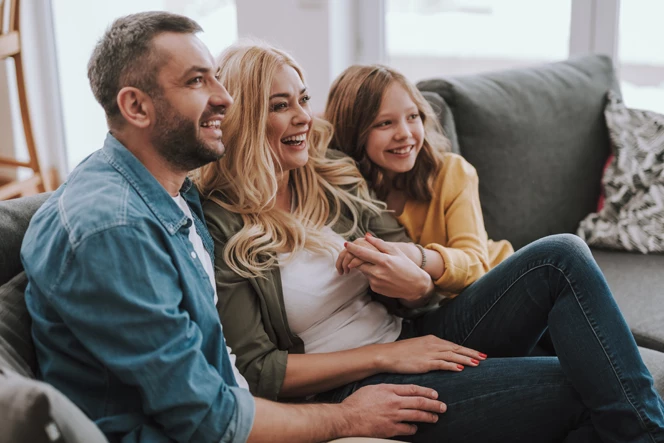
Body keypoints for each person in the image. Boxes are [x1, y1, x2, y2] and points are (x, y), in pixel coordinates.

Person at [198, 43, 664, 443]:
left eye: (303, 98)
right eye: (281, 106)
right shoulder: (220, 223)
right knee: (592, 382)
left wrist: (414, 282)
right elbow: (259, 370)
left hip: (417, 334)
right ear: (244, 118)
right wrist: (386, 355)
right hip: (359, 380)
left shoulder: (328, 172)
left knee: (561, 255)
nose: (304, 116)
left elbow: (416, 285)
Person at [20, 13, 447, 443]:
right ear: (136, 106)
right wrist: (346, 418)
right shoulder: (116, 231)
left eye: (216, 79)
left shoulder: (171, 191)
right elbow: (210, 418)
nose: (224, 98)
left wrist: (417, 283)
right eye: (197, 81)